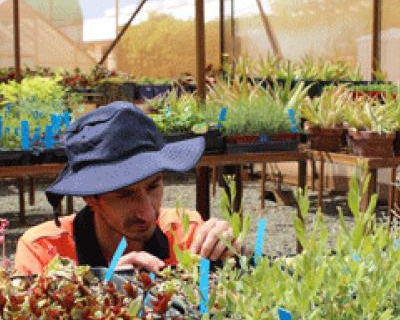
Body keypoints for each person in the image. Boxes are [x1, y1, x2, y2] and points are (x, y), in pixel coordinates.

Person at [14, 102, 239, 275]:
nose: (147, 211)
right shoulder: (45, 249)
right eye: (125, 194)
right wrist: (105, 289)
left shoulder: (186, 231)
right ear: (90, 198)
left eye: (153, 186)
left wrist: (237, 256)